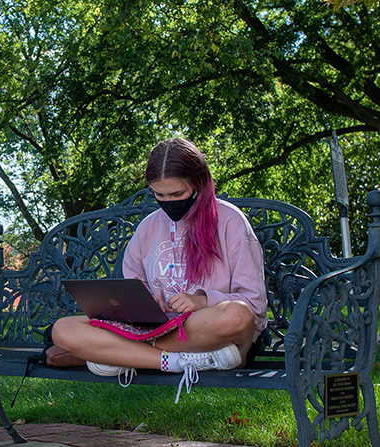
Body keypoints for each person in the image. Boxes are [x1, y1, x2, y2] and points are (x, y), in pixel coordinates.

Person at [51, 137, 268, 400]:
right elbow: (132, 289)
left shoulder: (231, 221)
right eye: (159, 195)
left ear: (199, 184)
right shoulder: (148, 228)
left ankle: (121, 355)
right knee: (62, 329)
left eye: (178, 194)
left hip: (203, 328)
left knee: (237, 315)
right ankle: (176, 362)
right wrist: (141, 303)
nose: (168, 203)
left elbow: (254, 305)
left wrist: (203, 301)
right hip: (157, 328)